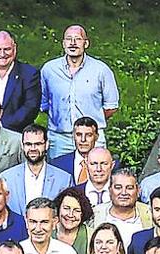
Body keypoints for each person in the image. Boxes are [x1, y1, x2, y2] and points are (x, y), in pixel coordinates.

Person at [40, 26, 119, 158]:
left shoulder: (101, 70)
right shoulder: (49, 70)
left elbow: (111, 106)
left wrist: (90, 123)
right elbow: (44, 104)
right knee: (59, 175)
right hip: (60, 138)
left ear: (86, 43)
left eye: (77, 39)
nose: (73, 43)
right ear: (63, 43)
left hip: (92, 137)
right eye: (69, 39)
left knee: (96, 174)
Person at [1, 123, 72, 214]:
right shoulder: (6, 178)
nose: (33, 148)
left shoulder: (64, 180)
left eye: (38, 144)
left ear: (46, 145)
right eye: (28, 144)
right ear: (22, 146)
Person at [95, 168, 152, 249]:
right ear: (110, 190)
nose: (124, 193)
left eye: (129, 188)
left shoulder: (150, 213)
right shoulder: (95, 214)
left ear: (138, 191)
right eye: (118, 187)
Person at [48, 116, 101, 184]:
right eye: (79, 135)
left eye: (88, 135)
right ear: (73, 136)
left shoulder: (109, 165)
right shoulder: (57, 164)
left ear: (96, 137)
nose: (83, 140)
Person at [52, 186, 93, 254]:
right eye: (66, 208)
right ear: (58, 208)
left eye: (77, 210)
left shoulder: (92, 235)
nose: (70, 215)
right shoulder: (47, 230)